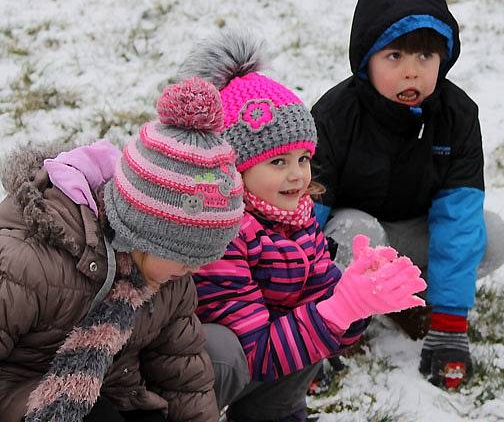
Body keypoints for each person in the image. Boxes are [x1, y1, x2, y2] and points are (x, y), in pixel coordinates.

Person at [182, 33, 426, 422]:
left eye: (303, 158)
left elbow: (323, 299)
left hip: (269, 363)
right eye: (278, 162)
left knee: (309, 314)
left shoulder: (297, 218)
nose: (297, 175)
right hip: (210, 369)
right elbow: (254, 350)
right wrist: (336, 309)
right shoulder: (224, 233)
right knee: (305, 321)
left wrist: (359, 297)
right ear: (234, 168)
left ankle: (277, 413)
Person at [310, 0, 504, 391]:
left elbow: (457, 215)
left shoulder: (457, 116)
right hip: (356, 233)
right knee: (356, 233)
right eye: (395, 57)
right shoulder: (335, 114)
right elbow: (307, 214)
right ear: (367, 58)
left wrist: (451, 323)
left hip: (414, 231)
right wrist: (303, 319)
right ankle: (335, 323)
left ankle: (414, 303)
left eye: (425, 58)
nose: (411, 73)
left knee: (489, 236)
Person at [0, 77, 245, 422]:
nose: (193, 270)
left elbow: (183, 373)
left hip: (114, 387)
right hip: (20, 393)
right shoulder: (33, 262)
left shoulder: (169, 280)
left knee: (214, 355)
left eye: (201, 260)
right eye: (186, 257)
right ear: (144, 234)